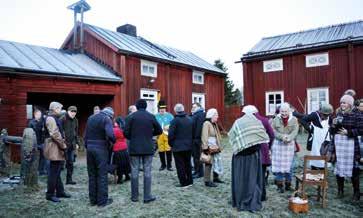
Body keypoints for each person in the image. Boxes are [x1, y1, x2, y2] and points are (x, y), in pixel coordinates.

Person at [229, 105, 270, 212]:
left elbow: (232, 137)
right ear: (253, 113)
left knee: (241, 179)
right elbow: (264, 137)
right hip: (253, 155)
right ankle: (252, 200)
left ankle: (240, 199)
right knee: (252, 179)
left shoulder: (238, 122)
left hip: (239, 156)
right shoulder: (257, 122)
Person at [124, 99, 162, 203]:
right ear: (146, 106)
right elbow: (159, 130)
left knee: (134, 171)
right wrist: (149, 134)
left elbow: (125, 133)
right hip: (148, 147)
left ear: (136, 106)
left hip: (134, 147)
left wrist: (133, 137)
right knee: (147, 171)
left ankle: (134, 197)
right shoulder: (151, 116)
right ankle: (147, 196)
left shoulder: (130, 117)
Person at [330, 94, 361, 201]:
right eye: (341, 102)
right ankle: (340, 191)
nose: (342, 104)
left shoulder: (357, 115)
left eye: (344, 102)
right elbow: (332, 131)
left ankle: (356, 193)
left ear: (350, 104)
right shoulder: (338, 114)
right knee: (339, 168)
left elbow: (361, 129)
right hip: (339, 146)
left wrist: (348, 132)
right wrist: (333, 125)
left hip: (351, 146)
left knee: (354, 170)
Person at [84, 107, 115, 207]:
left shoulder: (90, 118)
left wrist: (87, 146)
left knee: (92, 175)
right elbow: (110, 134)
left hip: (89, 148)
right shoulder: (106, 119)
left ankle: (93, 200)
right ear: (110, 115)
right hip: (101, 149)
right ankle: (102, 202)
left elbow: (85, 135)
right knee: (102, 175)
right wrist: (113, 142)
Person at [243, 105, 275, 201]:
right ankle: (262, 196)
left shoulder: (246, 121)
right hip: (263, 150)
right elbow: (272, 135)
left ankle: (252, 195)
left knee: (251, 174)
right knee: (261, 174)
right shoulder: (265, 120)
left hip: (250, 150)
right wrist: (268, 146)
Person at [43, 102, 71, 203]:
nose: (61, 110)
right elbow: (54, 133)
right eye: (60, 108)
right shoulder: (50, 118)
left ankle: (60, 191)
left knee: (57, 171)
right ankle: (50, 195)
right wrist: (63, 145)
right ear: (54, 109)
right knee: (53, 173)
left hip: (55, 146)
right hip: (53, 146)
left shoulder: (54, 118)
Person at [271, 103, 299, 193]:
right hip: (278, 145)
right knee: (279, 166)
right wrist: (281, 137)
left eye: (285, 111)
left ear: (289, 111)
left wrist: (289, 138)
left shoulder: (294, 120)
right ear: (280, 111)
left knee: (289, 166)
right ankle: (280, 186)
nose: (284, 113)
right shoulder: (275, 119)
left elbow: (295, 131)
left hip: (289, 145)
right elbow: (273, 131)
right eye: (282, 111)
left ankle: (288, 185)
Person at [299, 103, 334, 169]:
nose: (326, 117)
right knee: (314, 153)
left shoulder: (329, 118)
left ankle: (322, 169)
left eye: (328, 115)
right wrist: (310, 129)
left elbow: (331, 126)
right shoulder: (314, 115)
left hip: (324, 140)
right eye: (325, 115)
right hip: (315, 139)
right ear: (321, 112)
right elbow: (303, 120)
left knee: (323, 153)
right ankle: (314, 169)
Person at [168, 103, 193, 187]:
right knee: (187, 163)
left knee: (180, 165)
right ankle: (190, 181)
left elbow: (171, 134)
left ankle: (183, 182)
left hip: (177, 146)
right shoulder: (190, 119)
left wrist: (171, 144)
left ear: (175, 111)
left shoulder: (175, 121)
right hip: (188, 146)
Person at [201, 108, 223, 187]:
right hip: (209, 146)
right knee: (209, 162)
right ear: (211, 115)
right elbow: (204, 136)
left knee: (217, 160)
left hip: (215, 145)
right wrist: (205, 147)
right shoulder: (206, 123)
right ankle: (207, 180)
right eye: (216, 115)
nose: (217, 116)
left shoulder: (214, 123)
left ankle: (216, 177)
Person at [60, 106, 79, 185]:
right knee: (60, 163)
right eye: (72, 111)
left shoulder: (75, 120)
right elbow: (59, 131)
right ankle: (57, 182)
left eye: (75, 112)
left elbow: (76, 133)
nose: (73, 113)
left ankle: (69, 179)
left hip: (71, 145)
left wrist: (77, 143)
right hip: (63, 144)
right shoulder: (63, 119)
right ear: (68, 111)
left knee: (70, 162)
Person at [155, 100, 174, 171]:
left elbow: (174, 124)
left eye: (163, 109)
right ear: (158, 109)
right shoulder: (156, 116)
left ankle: (169, 165)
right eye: (160, 109)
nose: (162, 110)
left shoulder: (170, 116)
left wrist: (169, 126)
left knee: (168, 149)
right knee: (161, 150)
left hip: (167, 134)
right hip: (159, 135)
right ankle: (163, 164)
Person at [28, 109, 47, 176]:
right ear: (35, 115)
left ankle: (41, 171)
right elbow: (29, 133)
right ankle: (33, 171)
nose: (39, 116)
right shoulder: (31, 122)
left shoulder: (43, 122)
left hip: (42, 142)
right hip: (34, 142)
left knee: (43, 156)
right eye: (38, 115)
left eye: (40, 115)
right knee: (34, 157)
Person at [112, 116, 131, 184]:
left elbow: (111, 137)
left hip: (117, 149)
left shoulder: (115, 130)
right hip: (124, 148)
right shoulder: (124, 129)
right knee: (125, 163)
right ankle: (127, 176)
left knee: (119, 164)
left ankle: (120, 179)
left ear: (116, 123)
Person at [191, 102, 205, 179]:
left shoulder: (199, 115)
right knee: (196, 156)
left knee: (197, 156)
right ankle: (198, 171)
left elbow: (198, 128)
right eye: (192, 106)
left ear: (199, 107)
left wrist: (196, 138)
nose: (193, 108)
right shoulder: (197, 114)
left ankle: (198, 172)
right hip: (196, 138)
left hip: (197, 139)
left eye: (195, 106)